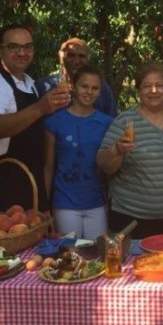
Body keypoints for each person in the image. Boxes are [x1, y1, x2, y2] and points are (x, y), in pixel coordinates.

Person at [0, 24, 71, 218]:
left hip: (28, 183)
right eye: (14, 47)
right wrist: (41, 107)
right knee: (0, 247)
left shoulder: (29, 83)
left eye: (28, 47)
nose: (22, 53)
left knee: (32, 246)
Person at [97, 62, 163, 238]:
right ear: (139, 90)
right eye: (146, 86)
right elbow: (103, 164)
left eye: (159, 85)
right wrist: (117, 150)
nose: (153, 91)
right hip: (133, 221)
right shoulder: (125, 121)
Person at [43, 64, 112, 239]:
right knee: (70, 255)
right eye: (84, 86)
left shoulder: (107, 123)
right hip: (65, 202)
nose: (89, 92)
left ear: (100, 91)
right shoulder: (55, 121)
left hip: (96, 201)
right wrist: (45, 204)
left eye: (95, 88)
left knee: (97, 256)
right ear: (73, 86)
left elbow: (110, 165)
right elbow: (48, 166)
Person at [36, 37, 117, 118]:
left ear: (87, 59)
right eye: (71, 55)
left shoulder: (101, 87)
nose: (76, 61)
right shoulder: (44, 86)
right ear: (61, 57)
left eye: (81, 56)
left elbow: (113, 122)